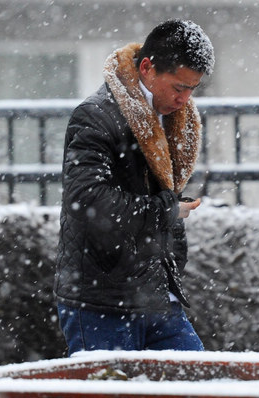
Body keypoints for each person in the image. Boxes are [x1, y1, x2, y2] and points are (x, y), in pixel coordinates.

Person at [53, 19, 214, 355]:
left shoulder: (169, 118)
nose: (185, 99)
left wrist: (171, 251)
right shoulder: (95, 116)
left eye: (192, 89)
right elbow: (88, 201)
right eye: (179, 87)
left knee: (205, 386)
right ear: (146, 68)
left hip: (156, 299)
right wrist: (167, 211)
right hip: (101, 303)